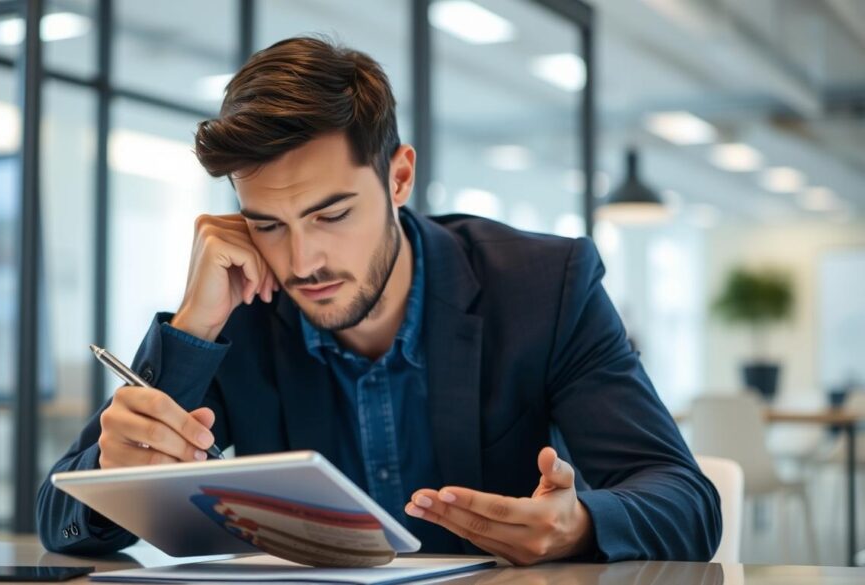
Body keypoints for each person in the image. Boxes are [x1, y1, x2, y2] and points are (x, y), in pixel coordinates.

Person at [37, 36, 720, 564]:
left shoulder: (545, 285)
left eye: (332, 214)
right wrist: (193, 326)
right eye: (270, 224)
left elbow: (685, 499)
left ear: (398, 177)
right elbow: (59, 515)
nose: (303, 262)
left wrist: (580, 524)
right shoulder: (241, 308)